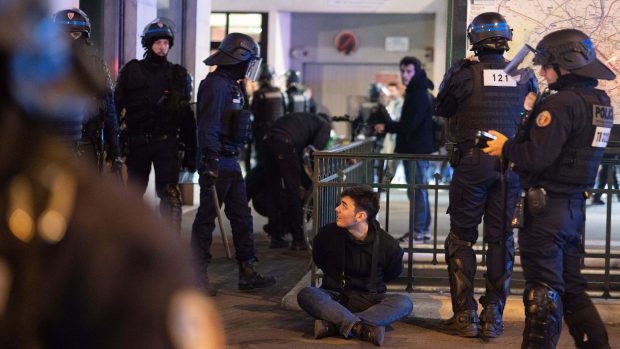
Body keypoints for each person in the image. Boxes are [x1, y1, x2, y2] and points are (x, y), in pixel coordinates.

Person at [0, 1, 224, 347]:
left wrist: (183, 153)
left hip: (156, 148)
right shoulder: (121, 223)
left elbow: (114, 111)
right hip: (135, 147)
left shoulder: (120, 230)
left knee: (167, 199)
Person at [484, 28, 614, 348]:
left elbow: (536, 157)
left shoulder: (561, 104)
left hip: (546, 212)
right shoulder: (599, 101)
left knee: (542, 293)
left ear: (565, 64)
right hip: (573, 209)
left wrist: (505, 147)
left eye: (547, 65)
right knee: (571, 289)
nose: (543, 72)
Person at [434, 12, 537, 338]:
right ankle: (493, 316)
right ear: (506, 38)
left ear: (473, 40)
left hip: (473, 161)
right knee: (501, 240)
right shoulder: (524, 76)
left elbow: (442, 108)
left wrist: (456, 68)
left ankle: (465, 317)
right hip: (511, 166)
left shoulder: (465, 74)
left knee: (461, 238)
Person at [192, 32, 276, 296]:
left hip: (230, 159)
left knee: (241, 216)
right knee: (206, 220)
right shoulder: (216, 85)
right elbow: (208, 125)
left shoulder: (232, 84)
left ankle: (247, 271)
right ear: (238, 58)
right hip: (217, 160)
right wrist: (210, 160)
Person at [297, 186, 412, 347]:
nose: (337, 209)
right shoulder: (327, 235)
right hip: (334, 296)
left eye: (344, 206)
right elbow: (320, 259)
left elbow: (392, 272)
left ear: (360, 216)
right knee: (307, 294)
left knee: (404, 302)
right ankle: (361, 327)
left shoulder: (389, 245)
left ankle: (333, 325)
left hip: (370, 300)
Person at [115, 18, 196, 234]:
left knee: (170, 194)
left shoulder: (179, 74)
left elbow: (187, 115)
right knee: (133, 193)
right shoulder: (131, 71)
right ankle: (129, 242)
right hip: (138, 140)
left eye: (166, 43)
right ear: (149, 44)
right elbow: (115, 108)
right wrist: (112, 144)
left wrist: (191, 149)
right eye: (158, 42)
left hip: (167, 142)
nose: (163, 47)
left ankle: (170, 245)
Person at [51, 8, 122, 173]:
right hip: (53, 147)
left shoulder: (96, 67)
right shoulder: (44, 68)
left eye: (75, 34)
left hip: (86, 144)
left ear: (83, 37)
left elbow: (110, 110)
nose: (69, 39)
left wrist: (115, 151)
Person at [374, 56, 434, 242]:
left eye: (408, 71)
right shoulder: (418, 91)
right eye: (402, 71)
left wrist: (388, 127)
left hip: (416, 149)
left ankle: (418, 230)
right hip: (417, 148)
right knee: (418, 190)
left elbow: (410, 125)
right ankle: (422, 230)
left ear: (416, 72)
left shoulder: (417, 94)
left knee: (416, 190)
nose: (404, 75)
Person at [263, 112, 332, 249]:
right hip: (285, 144)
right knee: (293, 192)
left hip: (267, 141)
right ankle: (298, 239)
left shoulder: (304, 117)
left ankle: (276, 237)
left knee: (273, 190)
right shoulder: (324, 125)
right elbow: (313, 153)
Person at [249, 64, 287, 167]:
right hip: (279, 131)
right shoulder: (279, 93)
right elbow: (285, 111)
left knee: (262, 160)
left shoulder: (259, 94)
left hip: (263, 132)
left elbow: (253, 114)